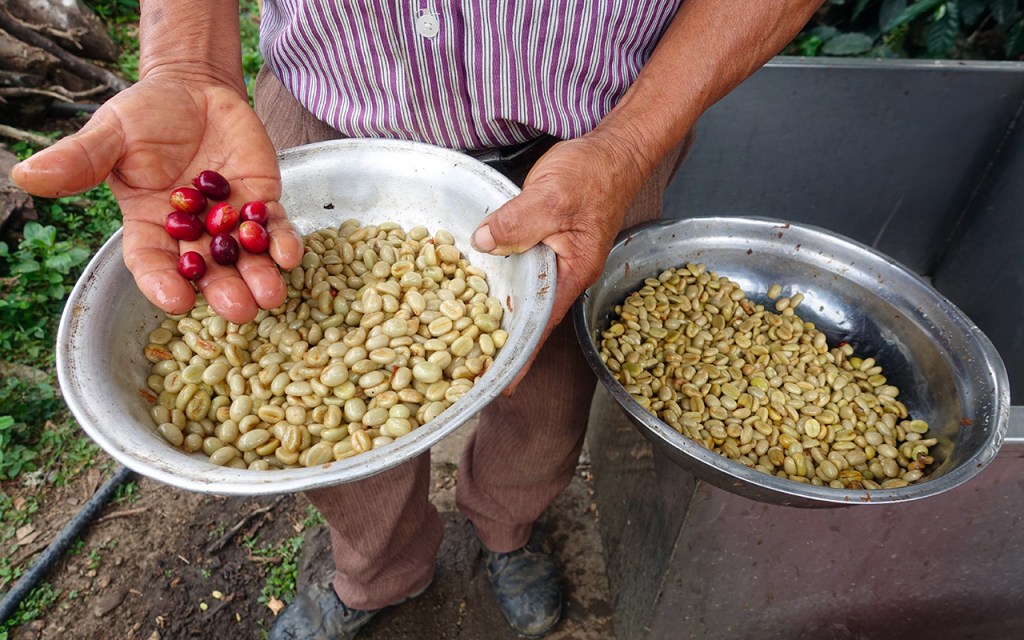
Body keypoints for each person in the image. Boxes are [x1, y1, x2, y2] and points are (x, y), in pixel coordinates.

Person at [11, 1, 823, 637]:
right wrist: (188, 61)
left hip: (603, 127)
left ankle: (510, 530)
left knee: (549, 392)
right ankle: (376, 570)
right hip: (307, 120)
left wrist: (625, 148)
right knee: (322, 407)